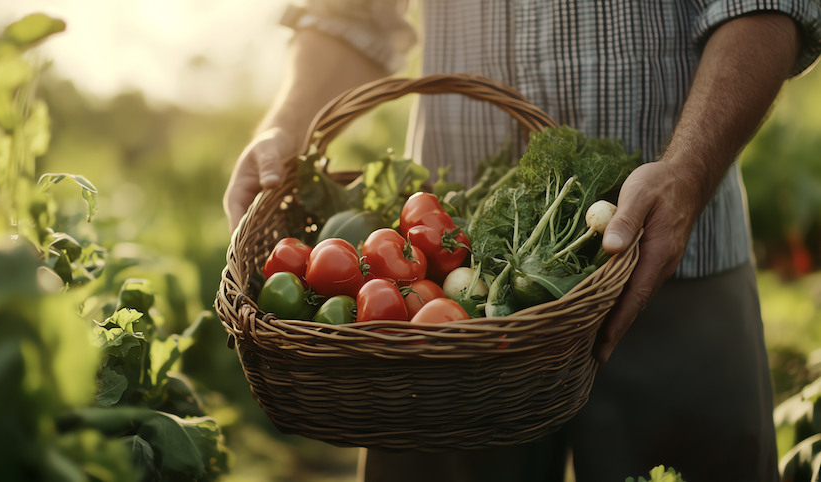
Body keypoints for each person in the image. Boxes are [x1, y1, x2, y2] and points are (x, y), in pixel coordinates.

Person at [224, 1, 821, 480]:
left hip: (674, 259)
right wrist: (285, 124)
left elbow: (767, 5)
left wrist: (689, 169)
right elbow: (351, 13)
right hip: (444, 324)